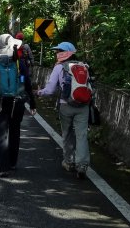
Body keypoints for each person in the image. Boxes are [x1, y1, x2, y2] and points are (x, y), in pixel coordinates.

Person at [36, 41, 92, 179]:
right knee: (82, 135)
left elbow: (50, 90)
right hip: (83, 106)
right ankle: (82, 166)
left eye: (58, 51)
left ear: (62, 53)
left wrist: (39, 93)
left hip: (65, 105)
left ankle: (69, 162)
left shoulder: (59, 68)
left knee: (67, 134)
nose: (56, 53)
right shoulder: (83, 66)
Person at [0, 33, 35, 177]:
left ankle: (3, 167)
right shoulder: (19, 63)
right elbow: (26, 83)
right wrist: (32, 103)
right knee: (15, 131)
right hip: (17, 103)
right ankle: (12, 162)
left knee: (1, 135)